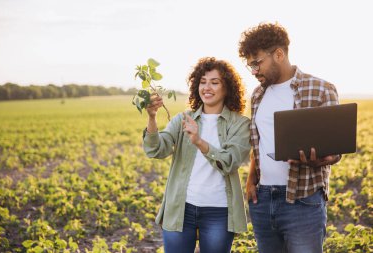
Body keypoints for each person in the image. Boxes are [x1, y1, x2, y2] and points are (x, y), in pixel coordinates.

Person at [238, 22, 341, 253]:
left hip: (303, 201)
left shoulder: (321, 89)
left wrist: (319, 160)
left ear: (279, 54)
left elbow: (336, 149)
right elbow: (260, 143)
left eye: (257, 63)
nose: (254, 71)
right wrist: (251, 179)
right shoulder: (257, 95)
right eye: (249, 66)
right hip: (263, 201)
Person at [142, 57, 251, 253]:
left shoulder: (240, 124)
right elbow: (156, 149)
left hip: (219, 211)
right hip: (181, 208)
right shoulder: (183, 119)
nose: (207, 87)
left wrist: (199, 142)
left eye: (214, 82)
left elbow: (231, 161)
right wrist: (152, 117)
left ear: (228, 88)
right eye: (202, 81)